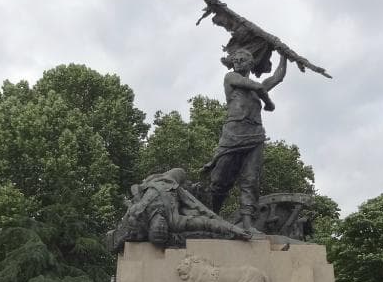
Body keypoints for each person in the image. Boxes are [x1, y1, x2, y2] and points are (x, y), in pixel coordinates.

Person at [202, 49, 289, 233]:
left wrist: (284, 55)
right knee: (219, 180)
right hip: (233, 134)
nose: (239, 62)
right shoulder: (231, 77)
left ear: (251, 63)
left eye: (244, 59)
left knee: (251, 181)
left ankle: (248, 224)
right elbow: (258, 87)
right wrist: (268, 103)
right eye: (236, 60)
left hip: (255, 135)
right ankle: (209, 216)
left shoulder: (257, 87)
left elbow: (278, 77)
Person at [107, 167, 250, 251]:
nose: (162, 226)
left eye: (158, 230)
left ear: (150, 229)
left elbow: (135, 191)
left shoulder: (139, 213)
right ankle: (189, 185)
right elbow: (207, 221)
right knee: (181, 173)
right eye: (164, 230)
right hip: (173, 184)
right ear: (167, 230)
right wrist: (233, 229)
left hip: (152, 181)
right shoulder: (175, 222)